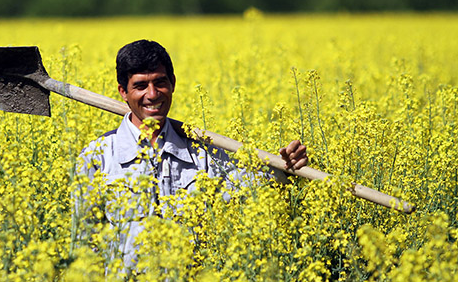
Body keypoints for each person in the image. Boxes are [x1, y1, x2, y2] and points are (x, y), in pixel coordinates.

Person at [76, 39, 308, 267]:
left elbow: (259, 186)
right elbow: (85, 246)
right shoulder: (99, 157)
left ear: (173, 83)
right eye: (140, 86)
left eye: (160, 82)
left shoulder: (203, 154)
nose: (153, 94)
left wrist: (287, 166)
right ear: (123, 92)